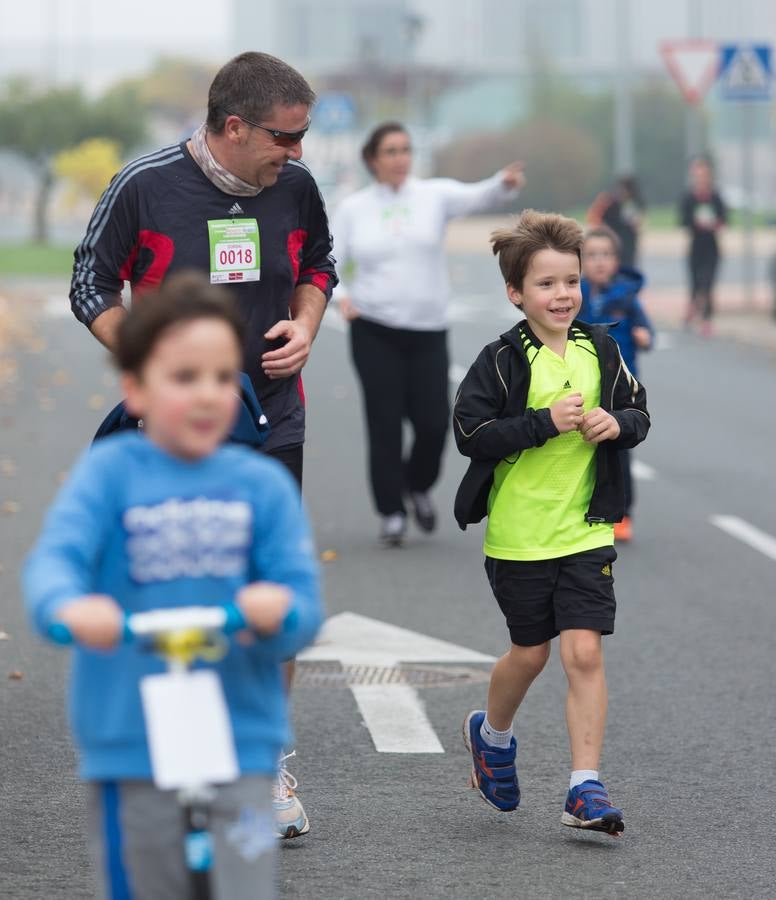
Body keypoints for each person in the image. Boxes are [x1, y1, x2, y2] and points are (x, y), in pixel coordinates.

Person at [69, 50, 336, 835]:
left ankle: (263, 768)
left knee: (274, 591)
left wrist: (307, 324)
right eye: (286, 137)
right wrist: (153, 375)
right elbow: (90, 282)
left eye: (304, 136)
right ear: (232, 126)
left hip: (271, 413)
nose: (298, 152)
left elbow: (320, 263)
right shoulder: (145, 184)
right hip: (173, 431)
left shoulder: (295, 187)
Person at [23, 273, 323, 898]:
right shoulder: (109, 475)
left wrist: (279, 610)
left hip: (238, 732)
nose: (208, 394)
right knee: (142, 880)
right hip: (130, 730)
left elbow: (300, 597)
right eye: (184, 378)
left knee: (240, 880)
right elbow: (56, 563)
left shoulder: (260, 486)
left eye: (222, 377)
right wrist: (70, 608)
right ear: (135, 388)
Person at [453, 210, 650, 835]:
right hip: (518, 534)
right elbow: (470, 434)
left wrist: (616, 425)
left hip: (587, 529)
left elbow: (638, 411)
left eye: (571, 281)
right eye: (546, 284)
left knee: (584, 652)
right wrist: (544, 422)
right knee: (530, 654)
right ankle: (493, 735)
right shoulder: (503, 360)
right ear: (516, 293)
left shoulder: (604, 348)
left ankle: (584, 787)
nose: (563, 294)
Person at [333, 121, 524, 545]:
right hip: (374, 328)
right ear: (372, 160)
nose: (400, 159)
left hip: (427, 331)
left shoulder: (433, 197)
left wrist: (503, 182)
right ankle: (391, 513)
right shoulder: (354, 208)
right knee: (384, 424)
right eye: (391, 151)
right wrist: (341, 295)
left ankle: (417, 485)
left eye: (405, 150)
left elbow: (481, 194)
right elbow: (331, 259)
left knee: (433, 423)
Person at [580, 225, 654, 543]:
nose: (599, 262)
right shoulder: (575, 294)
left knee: (619, 448)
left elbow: (646, 329)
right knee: (585, 446)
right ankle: (586, 505)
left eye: (606, 255)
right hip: (583, 382)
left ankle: (624, 513)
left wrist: (643, 335)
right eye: (592, 255)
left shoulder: (626, 297)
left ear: (616, 260)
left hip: (621, 386)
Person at [679, 155, 727, 337]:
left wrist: (715, 224)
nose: (701, 178)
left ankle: (706, 319)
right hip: (695, 245)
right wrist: (695, 223)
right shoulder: (689, 198)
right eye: (697, 174)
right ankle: (692, 308)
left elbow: (724, 219)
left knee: (708, 284)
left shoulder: (715, 196)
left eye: (704, 174)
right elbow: (683, 221)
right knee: (695, 283)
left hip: (712, 246)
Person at [586, 175, 645, 269]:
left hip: (629, 241)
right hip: (615, 240)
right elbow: (599, 218)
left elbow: (639, 221)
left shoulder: (635, 202)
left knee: (628, 265)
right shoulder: (611, 202)